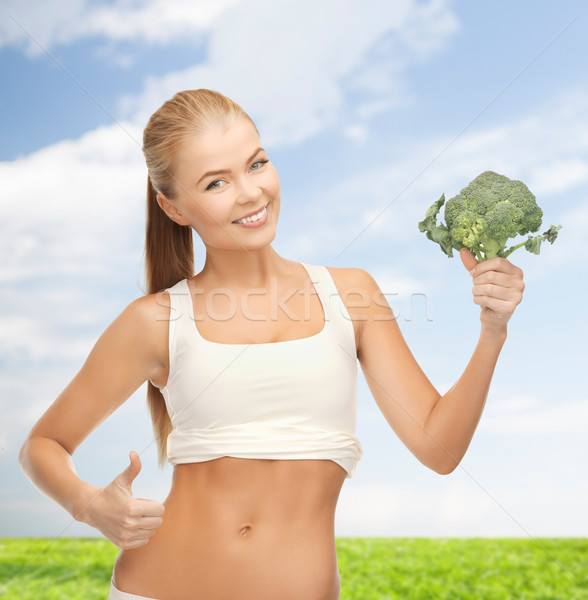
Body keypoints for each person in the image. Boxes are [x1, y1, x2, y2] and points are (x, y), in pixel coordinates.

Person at [18, 88, 525, 600]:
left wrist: (492, 331)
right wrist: (88, 504)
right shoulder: (155, 321)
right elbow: (43, 445)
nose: (249, 193)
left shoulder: (352, 295)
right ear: (172, 208)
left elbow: (439, 449)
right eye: (216, 182)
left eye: (256, 164)